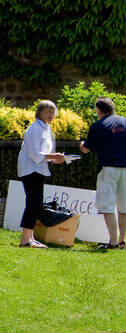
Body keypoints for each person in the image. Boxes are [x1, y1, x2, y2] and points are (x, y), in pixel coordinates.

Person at [80, 97, 126, 251]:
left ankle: (113, 242)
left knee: (108, 206)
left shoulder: (98, 125)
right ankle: (122, 241)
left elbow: (86, 148)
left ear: (99, 110)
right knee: (124, 206)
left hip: (108, 169)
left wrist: (81, 144)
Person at [17, 99, 68, 248]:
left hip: (38, 169)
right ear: (40, 113)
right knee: (34, 203)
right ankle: (25, 240)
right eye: (48, 111)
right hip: (30, 169)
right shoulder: (35, 128)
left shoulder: (45, 128)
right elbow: (34, 153)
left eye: (53, 111)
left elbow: (44, 154)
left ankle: (30, 237)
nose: (51, 114)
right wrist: (54, 156)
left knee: (36, 203)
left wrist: (54, 159)